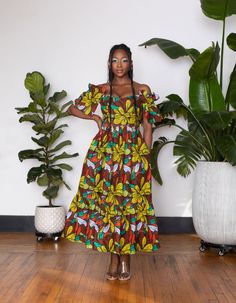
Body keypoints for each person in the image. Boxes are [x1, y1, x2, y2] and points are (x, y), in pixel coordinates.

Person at [62, 43, 162, 281]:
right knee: (108, 206)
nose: (119, 65)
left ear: (131, 63)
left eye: (124, 60)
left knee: (128, 206)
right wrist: (94, 116)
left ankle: (126, 258)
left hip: (132, 156)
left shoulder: (142, 90)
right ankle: (113, 258)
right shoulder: (102, 90)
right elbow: (71, 108)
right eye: (115, 60)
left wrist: (145, 156)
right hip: (104, 156)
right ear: (109, 63)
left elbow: (148, 126)